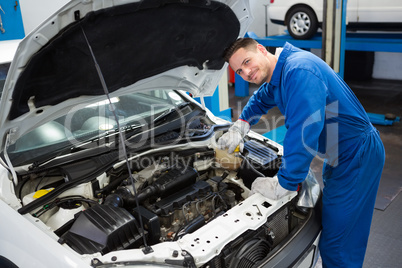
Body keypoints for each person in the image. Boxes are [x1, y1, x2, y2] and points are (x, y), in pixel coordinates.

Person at [217, 38, 385, 268]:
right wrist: (242, 124)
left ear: (261, 49)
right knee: (334, 225)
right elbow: (262, 98)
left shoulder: (299, 71)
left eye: (247, 62)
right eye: (239, 70)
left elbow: (304, 131)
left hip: (356, 155)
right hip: (339, 153)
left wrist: (284, 183)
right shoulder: (281, 71)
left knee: (339, 243)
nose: (246, 72)